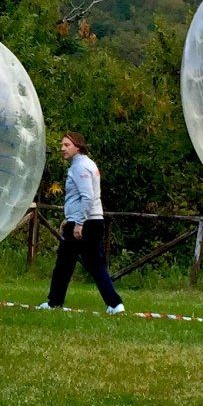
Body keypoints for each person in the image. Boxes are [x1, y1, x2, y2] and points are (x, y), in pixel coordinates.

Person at [37, 132, 124, 313]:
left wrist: (78, 223)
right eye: (62, 145)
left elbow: (87, 197)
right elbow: (79, 198)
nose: (62, 148)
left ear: (78, 146)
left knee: (65, 266)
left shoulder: (80, 167)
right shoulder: (87, 164)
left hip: (86, 224)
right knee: (88, 265)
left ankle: (54, 303)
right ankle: (115, 304)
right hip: (88, 221)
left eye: (67, 145)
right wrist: (68, 219)